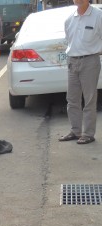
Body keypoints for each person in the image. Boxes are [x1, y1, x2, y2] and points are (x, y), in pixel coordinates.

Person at [59, 0, 102, 144]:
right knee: (72, 99)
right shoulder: (69, 19)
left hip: (90, 61)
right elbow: (69, 41)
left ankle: (88, 134)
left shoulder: (98, 16)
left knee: (89, 99)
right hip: (72, 61)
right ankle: (75, 130)